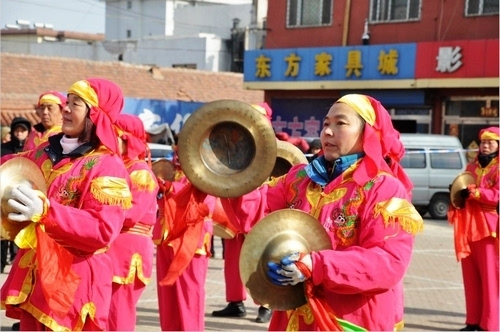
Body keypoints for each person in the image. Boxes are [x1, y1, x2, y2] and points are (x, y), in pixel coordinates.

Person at [220, 94, 424, 331]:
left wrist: (316, 265)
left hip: (350, 319)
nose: (327, 131)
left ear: (366, 132)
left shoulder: (384, 188)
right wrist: (233, 173)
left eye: (340, 123)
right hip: (295, 315)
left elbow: (388, 261)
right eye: (326, 123)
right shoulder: (299, 179)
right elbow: (255, 213)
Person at [0, 78, 132, 331]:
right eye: (68, 102)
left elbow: (103, 229)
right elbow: (9, 167)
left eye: (76, 104)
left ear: (95, 115)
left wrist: (47, 212)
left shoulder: (107, 165)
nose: (67, 109)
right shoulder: (43, 153)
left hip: (74, 282)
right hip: (36, 274)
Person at [211, 102, 274, 324]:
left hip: (262, 203)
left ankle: (266, 303)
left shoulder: (272, 146)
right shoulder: (237, 145)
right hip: (237, 201)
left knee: (260, 256)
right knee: (233, 257)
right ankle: (235, 302)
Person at [153, 148, 215, 331]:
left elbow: (202, 206)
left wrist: (171, 188)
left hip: (191, 241)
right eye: (178, 150)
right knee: (168, 298)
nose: (179, 155)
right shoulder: (173, 172)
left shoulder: (207, 174)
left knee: (189, 296)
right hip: (166, 238)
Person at [107, 114, 159, 331]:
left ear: (126, 139)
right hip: (114, 248)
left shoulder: (140, 173)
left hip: (127, 252)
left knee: (118, 312)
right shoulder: (119, 168)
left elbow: (131, 214)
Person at [448, 126, 499, 332]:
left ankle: (490, 324)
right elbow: (463, 186)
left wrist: (477, 194)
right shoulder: (472, 167)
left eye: (490, 142)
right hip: (469, 226)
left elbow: (496, 195)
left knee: (490, 279)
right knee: (470, 278)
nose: (485, 146)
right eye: (483, 143)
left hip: (489, 228)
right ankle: (473, 321)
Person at [0, 117, 32, 274]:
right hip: (4, 194)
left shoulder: (32, 149)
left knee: (22, 228)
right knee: (2, 230)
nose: (19, 133)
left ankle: (18, 261)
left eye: (23, 130)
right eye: (17, 130)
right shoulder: (3, 149)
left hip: (23, 196)